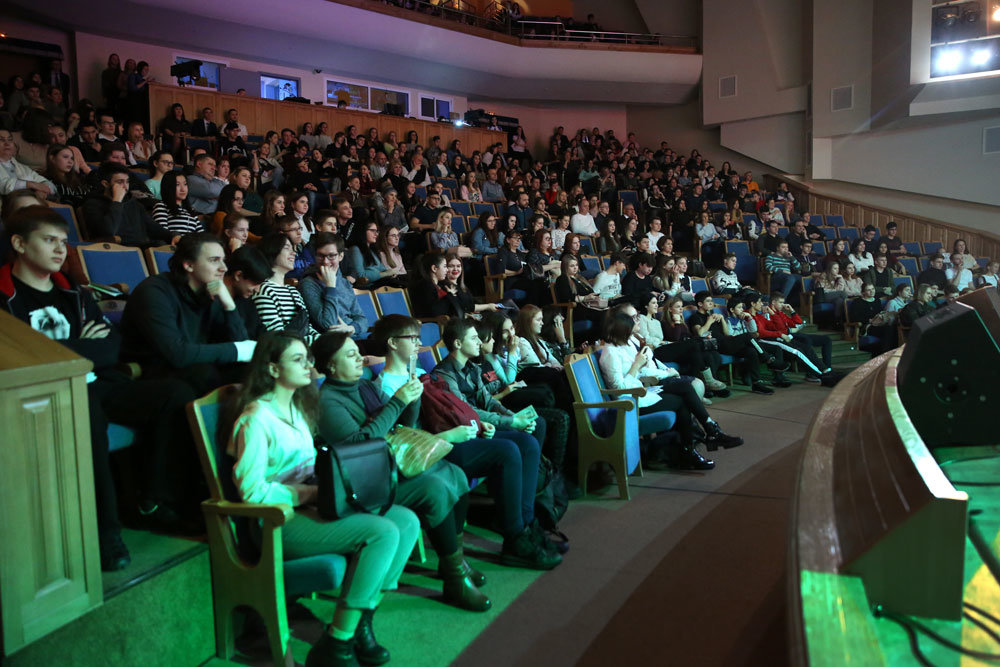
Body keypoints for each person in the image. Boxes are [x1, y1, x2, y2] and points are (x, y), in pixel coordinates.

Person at [229, 332, 419, 667]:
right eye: (297, 359)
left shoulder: (299, 408)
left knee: (405, 521)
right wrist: (310, 493)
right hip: (277, 521)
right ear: (273, 369)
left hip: (312, 507)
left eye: (308, 358)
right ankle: (337, 642)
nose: (308, 365)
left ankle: (359, 623)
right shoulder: (256, 418)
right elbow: (252, 491)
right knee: (382, 532)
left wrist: (326, 489)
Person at [312, 331, 491, 612]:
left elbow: (401, 424)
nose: (360, 358)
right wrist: (397, 402)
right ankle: (455, 578)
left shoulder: (364, 386)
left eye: (357, 352)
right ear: (331, 366)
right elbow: (360, 445)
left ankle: (454, 563)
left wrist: (412, 399)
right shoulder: (328, 401)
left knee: (455, 473)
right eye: (350, 354)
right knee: (434, 488)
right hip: (360, 483)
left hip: (387, 467)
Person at [371, 315, 561, 570]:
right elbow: (404, 436)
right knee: (507, 450)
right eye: (412, 338)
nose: (418, 344)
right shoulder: (385, 385)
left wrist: (481, 424)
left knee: (526, 443)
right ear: (393, 343)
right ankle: (514, 537)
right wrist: (451, 432)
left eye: (418, 338)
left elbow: (454, 409)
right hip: (432, 448)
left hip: (451, 435)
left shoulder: (420, 373)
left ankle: (525, 525)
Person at [598, 311, 740, 470]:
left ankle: (700, 439)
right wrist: (636, 365)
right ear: (622, 330)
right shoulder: (610, 353)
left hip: (641, 393)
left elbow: (642, 371)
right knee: (682, 400)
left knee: (684, 388)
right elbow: (618, 388)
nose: (633, 330)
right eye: (630, 327)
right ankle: (699, 441)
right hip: (629, 402)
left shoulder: (625, 346)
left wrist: (665, 372)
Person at [83, 163, 177, 246]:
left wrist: (173, 236)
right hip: (115, 250)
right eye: (120, 182)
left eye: (127, 181)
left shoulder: (134, 204)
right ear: (105, 184)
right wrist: (117, 201)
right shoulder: (92, 204)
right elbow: (108, 232)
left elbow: (153, 227)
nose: (125, 187)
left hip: (140, 248)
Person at [651, 295, 729, 395]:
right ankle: (708, 383)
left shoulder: (682, 323)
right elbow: (675, 338)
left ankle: (708, 386)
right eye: (678, 307)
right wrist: (677, 322)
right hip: (672, 350)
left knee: (711, 355)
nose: (681, 309)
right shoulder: (664, 322)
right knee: (696, 345)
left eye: (681, 306)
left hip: (686, 350)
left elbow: (688, 336)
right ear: (670, 309)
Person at [298, 232, 369, 337]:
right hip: (331, 340)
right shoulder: (308, 284)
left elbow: (362, 319)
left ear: (341, 256)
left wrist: (352, 328)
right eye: (320, 256)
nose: (325, 262)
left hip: (352, 335)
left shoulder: (345, 283)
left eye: (331, 256)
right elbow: (328, 324)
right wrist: (330, 287)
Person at [751, 292, 830, 381]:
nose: (783, 305)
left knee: (807, 347)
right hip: (774, 339)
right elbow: (775, 329)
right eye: (781, 302)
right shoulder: (766, 314)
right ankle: (818, 374)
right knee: (801, 346)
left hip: (784, 337)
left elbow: (798, 323)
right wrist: (788, 331)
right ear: (773, 302)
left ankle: (824, 370)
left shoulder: (780, 313)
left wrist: (792, 311)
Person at [0, 128, 55, 196]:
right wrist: (30, 184)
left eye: (10, 139)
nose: (7, 143)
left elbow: (45, 182)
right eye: (1, 140)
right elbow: (3, 185)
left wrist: (42, 191)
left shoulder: (20, 166)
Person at [848, 282, 898, 355]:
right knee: (888, 330)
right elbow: (854, 318)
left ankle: (892, 354)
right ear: (863, 292)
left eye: (873, 289)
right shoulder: (857, 302)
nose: (872, 291)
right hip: (867, 326)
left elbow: (880, 312)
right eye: (868, 290)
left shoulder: (877, 300)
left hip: (879, 323)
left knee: (894, 328)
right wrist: (869, 320)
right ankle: (885, 354)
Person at [152, 171, 204, 236]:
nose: (183, 189)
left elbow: (201, 234)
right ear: (168, 187)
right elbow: (162, 233)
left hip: (191, 242)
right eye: (177, 185)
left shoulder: (190, 209)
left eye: (185, 184)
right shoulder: (161, 206)